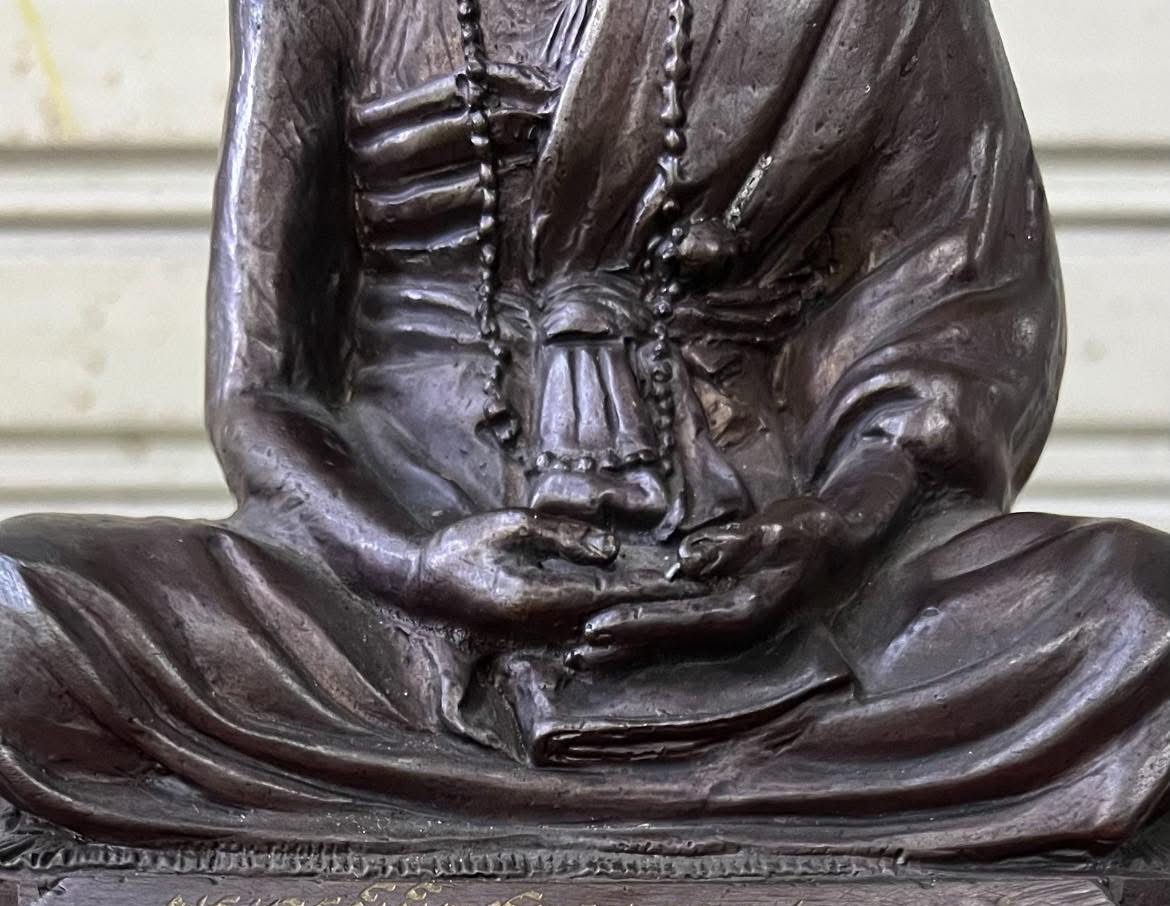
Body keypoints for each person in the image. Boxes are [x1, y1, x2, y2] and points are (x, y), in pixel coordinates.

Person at [0, 0, 1167, 856]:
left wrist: (835, 530)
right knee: (22, 613)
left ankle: (533, 816)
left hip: (765, 578)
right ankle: (705, 819)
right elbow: (261, 391)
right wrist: (413, 565)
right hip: (394, 593)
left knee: (1137, 619)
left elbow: (956, 310)